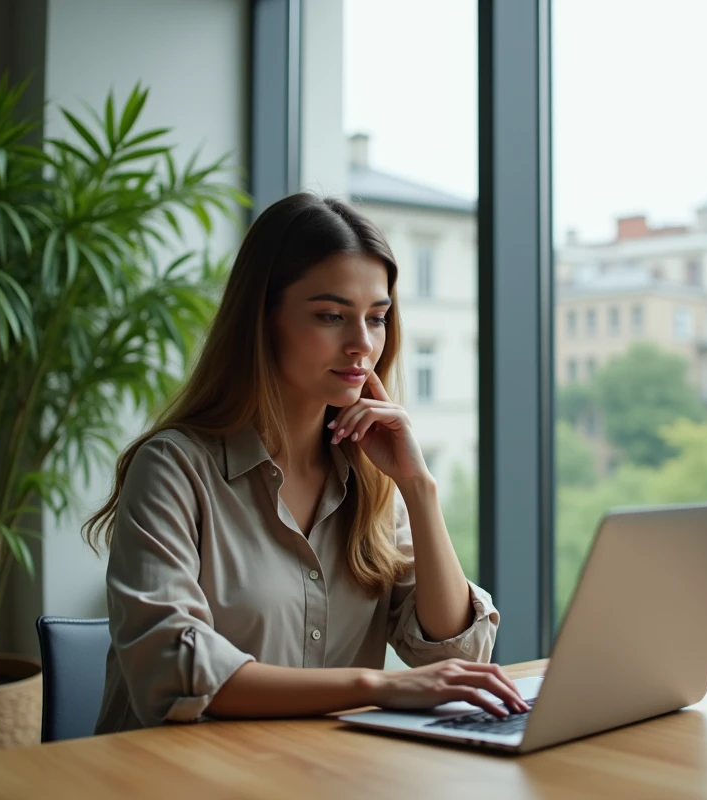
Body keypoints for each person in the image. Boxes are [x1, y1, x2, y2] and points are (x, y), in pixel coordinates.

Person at [84, 193, 527, 734]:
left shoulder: (371, 478)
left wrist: (417, 486)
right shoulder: (174, 469)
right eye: (331, 316)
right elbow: (176, 671)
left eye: (377, 317)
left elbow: (456, 654)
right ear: (264, 320)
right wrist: (377, 686)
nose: (362, 344)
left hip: (319, 775)